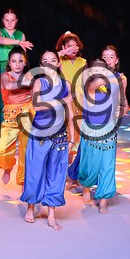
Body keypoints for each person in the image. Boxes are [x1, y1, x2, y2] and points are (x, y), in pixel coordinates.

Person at [20, 50, 75, 231]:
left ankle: (51, 214)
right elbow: (37, 105)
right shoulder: (40, 82)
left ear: (58, 63)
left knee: (56, 174)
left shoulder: (66, 85)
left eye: (53, 60)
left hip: (59, 136)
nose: (49, 63)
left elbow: (70, 114)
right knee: (35, 171)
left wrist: (72, 138)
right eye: (45, 61)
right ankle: (31, 207)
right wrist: (62, 100)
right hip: (40, 134)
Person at [75, 53, 127, 213]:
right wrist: (113, 76)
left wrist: (121, 108)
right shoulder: (90, 86)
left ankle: (104, 199)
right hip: (91, 131)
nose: (100, 72)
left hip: (108, 129)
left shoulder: (114, 84)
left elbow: (120, 101)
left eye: (102, 69)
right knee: (89, 165)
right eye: (95, 70)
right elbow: (98, 83)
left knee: (107, 166)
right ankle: (86, 187)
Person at [0, 46, 33, 185]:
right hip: (10, 117)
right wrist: (29, 82)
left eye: (21, 61)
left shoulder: (29, 76)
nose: (17, 64)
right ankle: (8, 166)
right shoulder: (5, 76)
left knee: (25, 151)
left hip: (27, 114)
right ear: (9, 62)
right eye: (14, 61)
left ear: (25, 62)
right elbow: (8, 86)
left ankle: (23, 182)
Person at [0, 9, 33, 136]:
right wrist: (18, 42)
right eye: (7, 20)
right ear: (3, 20)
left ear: (16, 21)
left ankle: (14, 127)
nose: (9, 22)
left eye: (12, 20)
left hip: (15, 69)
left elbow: (23, 54)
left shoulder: (21, 34)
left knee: (13, 97)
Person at [55, 31, 87, 171]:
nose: (73, 49)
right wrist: (63, 52)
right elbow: (50, 59)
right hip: (64, 97)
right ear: (63, 47)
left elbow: (86, 82)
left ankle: (70, 166)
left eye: (75, 46)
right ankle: (61, 165)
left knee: (77, 131)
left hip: (79, 99)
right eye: (69, 46)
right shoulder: (59, 59)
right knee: (64, 130)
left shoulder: (83, 62)